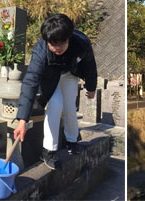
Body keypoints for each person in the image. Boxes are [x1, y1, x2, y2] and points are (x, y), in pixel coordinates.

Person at [13, 14, 97, 170]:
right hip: (50, 77)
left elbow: (90, 64)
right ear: (47, 41)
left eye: (62, 43)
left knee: (70, 107)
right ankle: (49, 150)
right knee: (56, 105)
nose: (57, 48)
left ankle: (72, 141)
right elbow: (30, 81)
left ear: (69, 38)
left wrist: (91, 86)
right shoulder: (41, 50)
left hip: (70, 73)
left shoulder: (82, 43)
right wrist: (22, 119)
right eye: (53, 44)